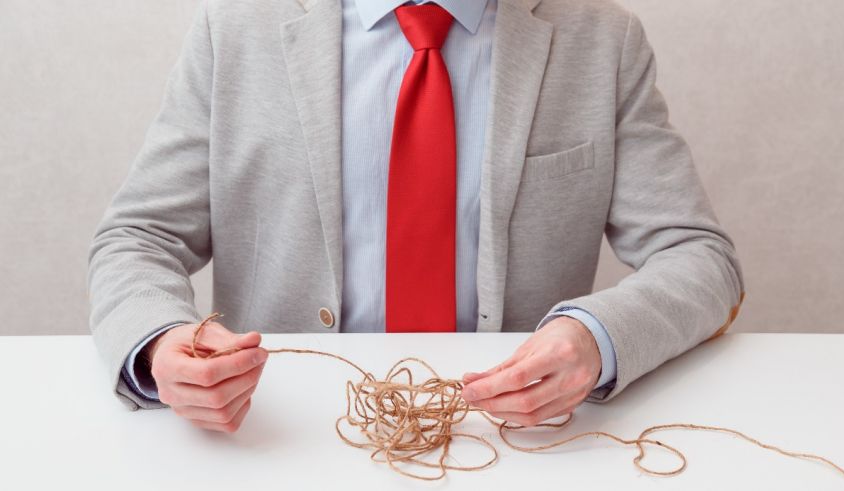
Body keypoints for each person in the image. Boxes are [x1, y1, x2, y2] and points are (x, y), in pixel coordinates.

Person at [87, 0, 746, 433]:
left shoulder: (603, 41)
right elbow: (138, 237)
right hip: (284, 434)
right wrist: (158, 342)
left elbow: (699, 257)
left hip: (521, 445)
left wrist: (595, 339)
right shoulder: (234, 29)